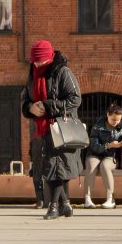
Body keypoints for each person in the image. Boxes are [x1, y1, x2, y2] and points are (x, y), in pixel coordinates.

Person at [21, 40, 84, 220]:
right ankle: (64, 205)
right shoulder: (32, 74)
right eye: (35, 61)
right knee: (50, 167)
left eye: (41, 61)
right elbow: (25, 97)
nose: (37, 64)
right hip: (42, 129)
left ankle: (54, 206)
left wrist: (48, 106)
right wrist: (30, 107)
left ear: (50, 57)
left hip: (61, 127)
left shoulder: (63, 72)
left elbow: (75, 99)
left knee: (58, 167)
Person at [84, 104, 122, 208]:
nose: (116, 122)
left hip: (111, 156)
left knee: (105, 166)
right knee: (91, 165)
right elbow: (94, 146)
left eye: (118, 119)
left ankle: (110, 199)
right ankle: (87, 199)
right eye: (113, 119)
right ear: (107, 115)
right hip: (95, 153)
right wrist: (109, 145)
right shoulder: (97, 126)